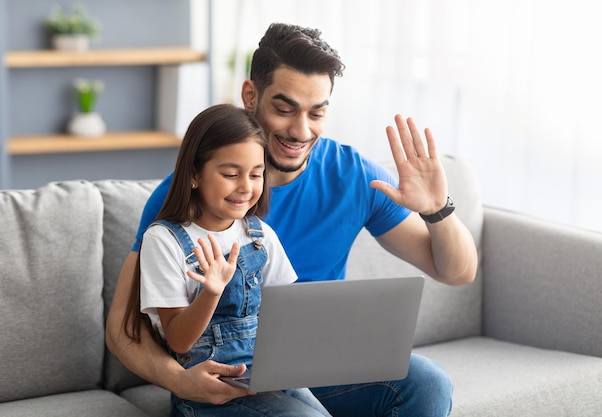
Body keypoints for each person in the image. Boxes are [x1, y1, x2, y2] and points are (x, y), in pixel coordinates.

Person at [107, 23, 478, 417]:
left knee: (427, 382)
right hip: (221, 381)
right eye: (284, 110)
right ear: (250, 96)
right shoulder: (184, 199)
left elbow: (457, 272)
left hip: (313, 365)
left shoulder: (353, 175)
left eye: (316, 113)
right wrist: (179, 380)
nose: (301, 131)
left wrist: (436, 209)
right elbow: (121, 329)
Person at [126, 103, 331, 416]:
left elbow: (289, 314)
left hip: (265, 378)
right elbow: (179, 341)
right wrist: (211, 292)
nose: (246, 187)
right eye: (231, 174)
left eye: (256, 174)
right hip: (206, 394)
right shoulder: (164, 240)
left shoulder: (260, 235)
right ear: (194, 173)